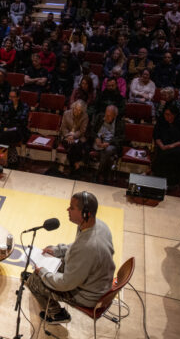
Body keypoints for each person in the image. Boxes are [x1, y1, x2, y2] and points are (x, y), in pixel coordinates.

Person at [25, 191, 115, 324]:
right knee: (52, 259)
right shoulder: (97, 225)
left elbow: (66, 283)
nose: (68, 209)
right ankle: (40, 274)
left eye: (72, 208)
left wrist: (43, 274)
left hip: (87, 295)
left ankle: (57, 314)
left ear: (86, 214)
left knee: (35, 282)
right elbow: (76, 247)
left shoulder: (88, 247)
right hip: (95, 281)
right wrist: (57, 251)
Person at [152, 104, 180, 185]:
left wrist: (171, 146)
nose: (167, 116)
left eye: (169, 115)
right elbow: (156, 136)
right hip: (163, 146)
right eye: (165, 114)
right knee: (162, 154)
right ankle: (159, 179)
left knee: (175, 154)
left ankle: (171, 182)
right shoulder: (161, 121)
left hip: (177, 147)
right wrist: (162, 146)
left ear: (174, 114)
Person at [91, 105, 125, 183]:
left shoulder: (120, 122)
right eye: (106, 114)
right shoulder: (100, 117)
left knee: (107, 150)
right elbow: (92, 130)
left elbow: (121, 138)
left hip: (111, 144)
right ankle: (106, 176)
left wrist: (109, 143)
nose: (106, 117)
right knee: (109, 158)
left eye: (109, 116)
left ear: (115, 115)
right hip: (98, 142)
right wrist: (96, 138)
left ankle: (97, 173)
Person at [60, 100, 89, 177]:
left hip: (78, 137)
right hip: (66, 136)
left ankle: (73, 168)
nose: (77, 111)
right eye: (76, 109)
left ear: (82, 111)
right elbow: (63, 128)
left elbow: (82, 130)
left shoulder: (85, 116)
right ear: (73, 107)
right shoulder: (66, 113)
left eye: (79, 110)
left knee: (74, 147)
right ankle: (76, 166)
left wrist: (74, 136)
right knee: (72, 146)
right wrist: (68, 135)